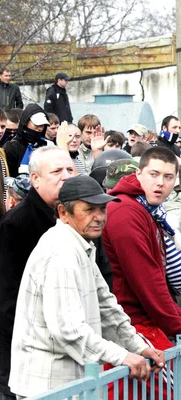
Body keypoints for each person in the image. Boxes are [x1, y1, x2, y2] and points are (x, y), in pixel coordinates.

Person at [9, 175, 164, 397]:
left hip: (68, 383)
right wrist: (123, 356)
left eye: (102, 209)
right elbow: (68, 330)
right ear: (63, 213)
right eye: (90, 209)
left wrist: (138, 346)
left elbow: (106, 306)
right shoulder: (60, 252)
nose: (99, 217)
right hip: (48, 386)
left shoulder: (79, 244)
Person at [0, 147, 75, 399]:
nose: (66, 176)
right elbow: (7, 299)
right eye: (57, 171)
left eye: (70, 169)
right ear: (35, 179)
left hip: (70, 344)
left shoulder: (76, 218)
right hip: (30, 351)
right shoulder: (16, 224)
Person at [103, 147, 181, 361]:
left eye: (168, 177)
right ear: (138, 174)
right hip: (130, 326)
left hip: (141, 323)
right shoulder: (125, 211)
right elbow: (147, 280)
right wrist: (177, 323)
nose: (160, 183)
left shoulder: (145, 209)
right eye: (153, 174)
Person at [3, 104, 50, 177]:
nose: (40, 129)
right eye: (36, 125)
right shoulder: (12, 146)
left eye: (42, 125)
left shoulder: (46, 145)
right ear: (25, 122)